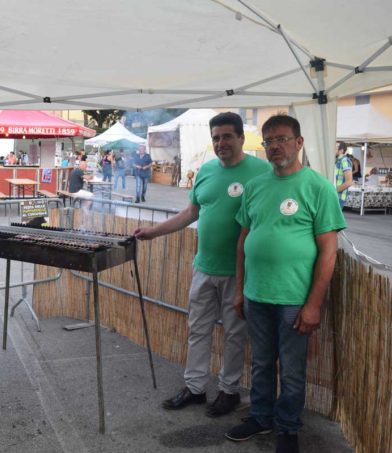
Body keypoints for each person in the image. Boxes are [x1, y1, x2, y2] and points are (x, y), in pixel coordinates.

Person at [134, 112, 271, 418]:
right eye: (216, 137)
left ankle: (229, 391)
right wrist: (153, 232)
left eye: (226, 136)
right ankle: (195, 388)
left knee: (235, 334)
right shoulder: (206, 171)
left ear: (240, 138)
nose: (221, 143)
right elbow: (190, 213)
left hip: (240, 272)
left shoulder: (262, 172)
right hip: (204, 267)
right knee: (197, 329)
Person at [226, 114, 346, 452]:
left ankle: (288, 428)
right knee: (261, 362)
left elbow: (328, 252)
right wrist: (240, 290)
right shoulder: (256, 186)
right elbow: (242, 241)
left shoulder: (317, 187)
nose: (275, 146)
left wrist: (313, 304)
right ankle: (261, 417)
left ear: (299, 143)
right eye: (269, 141)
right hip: (256, 294)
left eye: (281, 139)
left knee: (292, 369)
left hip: (294, 299)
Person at [335, 142, 353, 209]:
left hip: (339, 196)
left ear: (341, 150)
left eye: (335, 147)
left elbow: (349, 182)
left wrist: (334, 191)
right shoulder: (337, 160)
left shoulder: (344, 160)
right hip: (336, 196)